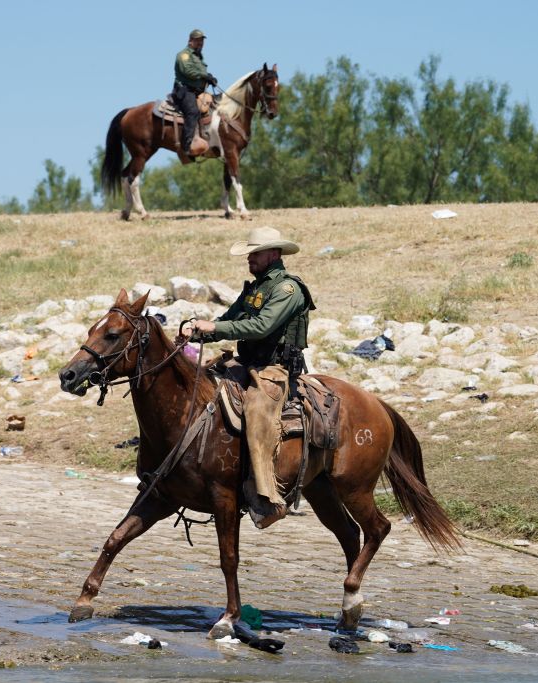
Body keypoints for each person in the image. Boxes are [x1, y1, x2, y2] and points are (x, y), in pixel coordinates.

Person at [180, 226, 315, 528]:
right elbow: (229, 320)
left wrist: (214, 329)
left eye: (254, 254)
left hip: (274, 370)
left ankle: (266, 496)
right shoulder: (254, 288)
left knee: (256, 410)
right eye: (249, 254)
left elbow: (262, 327)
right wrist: (200, 330)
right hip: (247, 362)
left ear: (273, 254)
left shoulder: (288, 290)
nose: (249, 259)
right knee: (201, 383)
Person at [173, 29, 217, 163]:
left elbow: (200, 73)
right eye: (198, 40)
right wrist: (204, 75)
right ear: (190, 40)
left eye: (202, 40)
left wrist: (209, 79)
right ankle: (186, 148)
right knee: (192, 111)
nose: (200, 43)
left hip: (198, 91)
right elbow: (188, 71)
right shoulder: (184, 55)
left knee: (215, 106)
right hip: (185, 90)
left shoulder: (199, 57)